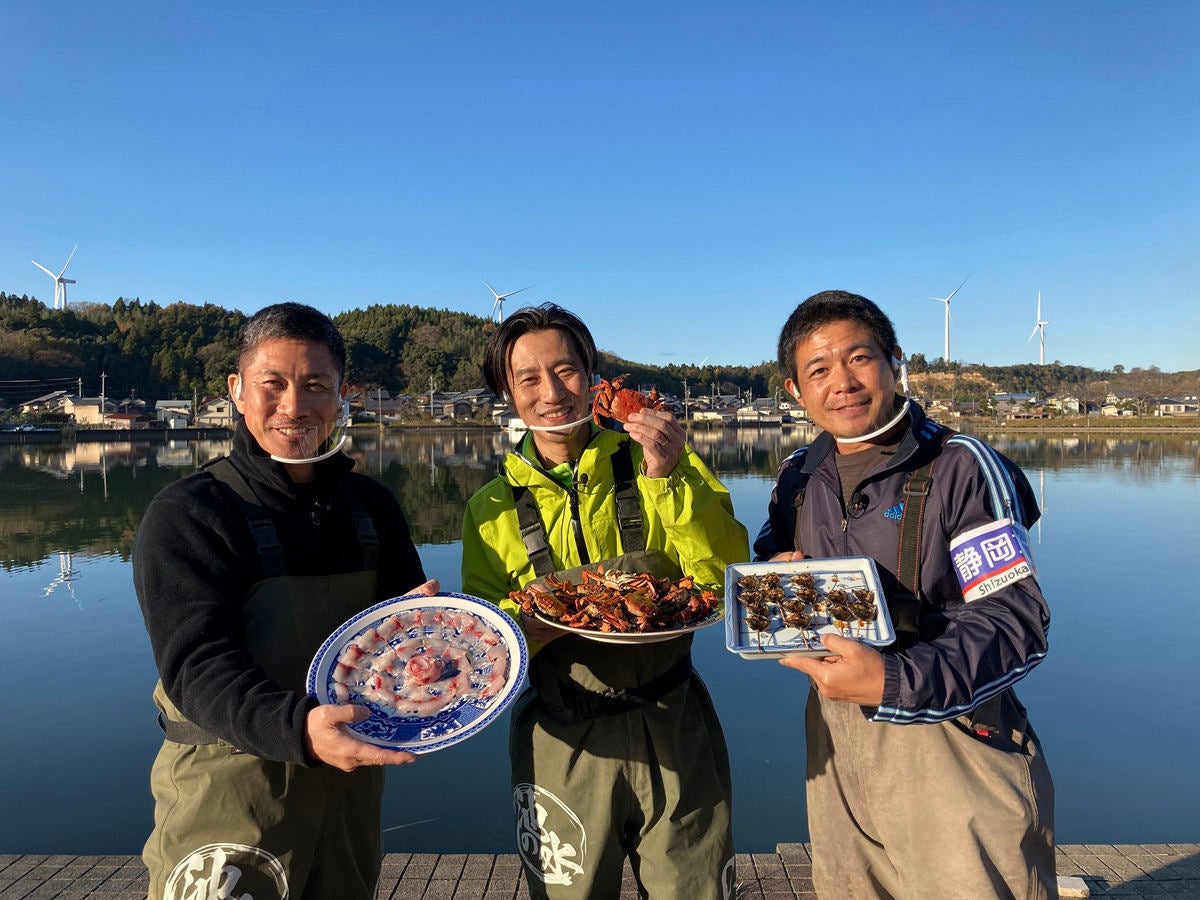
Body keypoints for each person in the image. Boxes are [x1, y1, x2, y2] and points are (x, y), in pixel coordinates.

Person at [754, 290, 1055, 898]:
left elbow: (1017, 623)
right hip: (836, 737)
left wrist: (894, 681)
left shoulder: (962, 467)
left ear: (894, 363)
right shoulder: (797, 477)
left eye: (859, 359)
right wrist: (777, 574)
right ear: (794, 390)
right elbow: (769, 560)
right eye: (818, 370)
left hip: (954, 733)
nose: (842, 382)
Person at [135, 302, 435, 900]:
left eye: (315, 385)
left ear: (341, 394)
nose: (294, 407)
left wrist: (433, 635)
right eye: (272, 384)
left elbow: (405, 644)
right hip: (227, 788)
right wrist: (299, 730)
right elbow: (196, 666)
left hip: (348, 786)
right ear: (237, 390)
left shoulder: (372, 507)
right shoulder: (190, 514)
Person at [461, 303, 749, 899]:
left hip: (672, 720)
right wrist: (528, 625)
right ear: (507, 393)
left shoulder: (661, 462)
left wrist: (668, 476)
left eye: (566, 371)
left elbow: (723, 578)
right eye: (528, 379)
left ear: (594, 376)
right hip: (562, 735)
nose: (552, 393)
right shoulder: (488, 508)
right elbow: (481, 636)